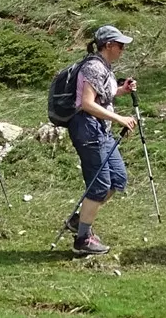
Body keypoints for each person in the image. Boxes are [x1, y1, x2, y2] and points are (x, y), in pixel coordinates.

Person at [59, 24, 138, 256]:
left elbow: (102, 95)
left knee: (118, 179)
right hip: (88, 131)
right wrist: (120, 118)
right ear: (108, 45)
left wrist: (121, 90)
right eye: (120, 45)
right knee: (100, 185)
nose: (123, 49)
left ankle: (79, 220)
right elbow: (86, 103)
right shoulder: (93, 66)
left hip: (102, 131)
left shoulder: (104, 67)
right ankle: (82, 240)